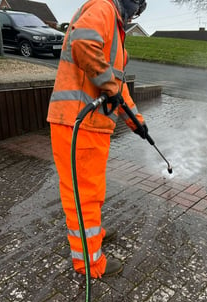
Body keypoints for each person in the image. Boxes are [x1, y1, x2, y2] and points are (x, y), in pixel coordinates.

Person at [47, 0, 148, 278]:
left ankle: (94, 236)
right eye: (137, 8)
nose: (135, 15)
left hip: (92, 126)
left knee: (93, 192)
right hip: (78, 123)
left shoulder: (115, 30)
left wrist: (137, 123)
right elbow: (82, 44)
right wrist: (108, 84)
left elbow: (118, 88)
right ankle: (90, 263)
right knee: (83, 196)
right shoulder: (103, 8)